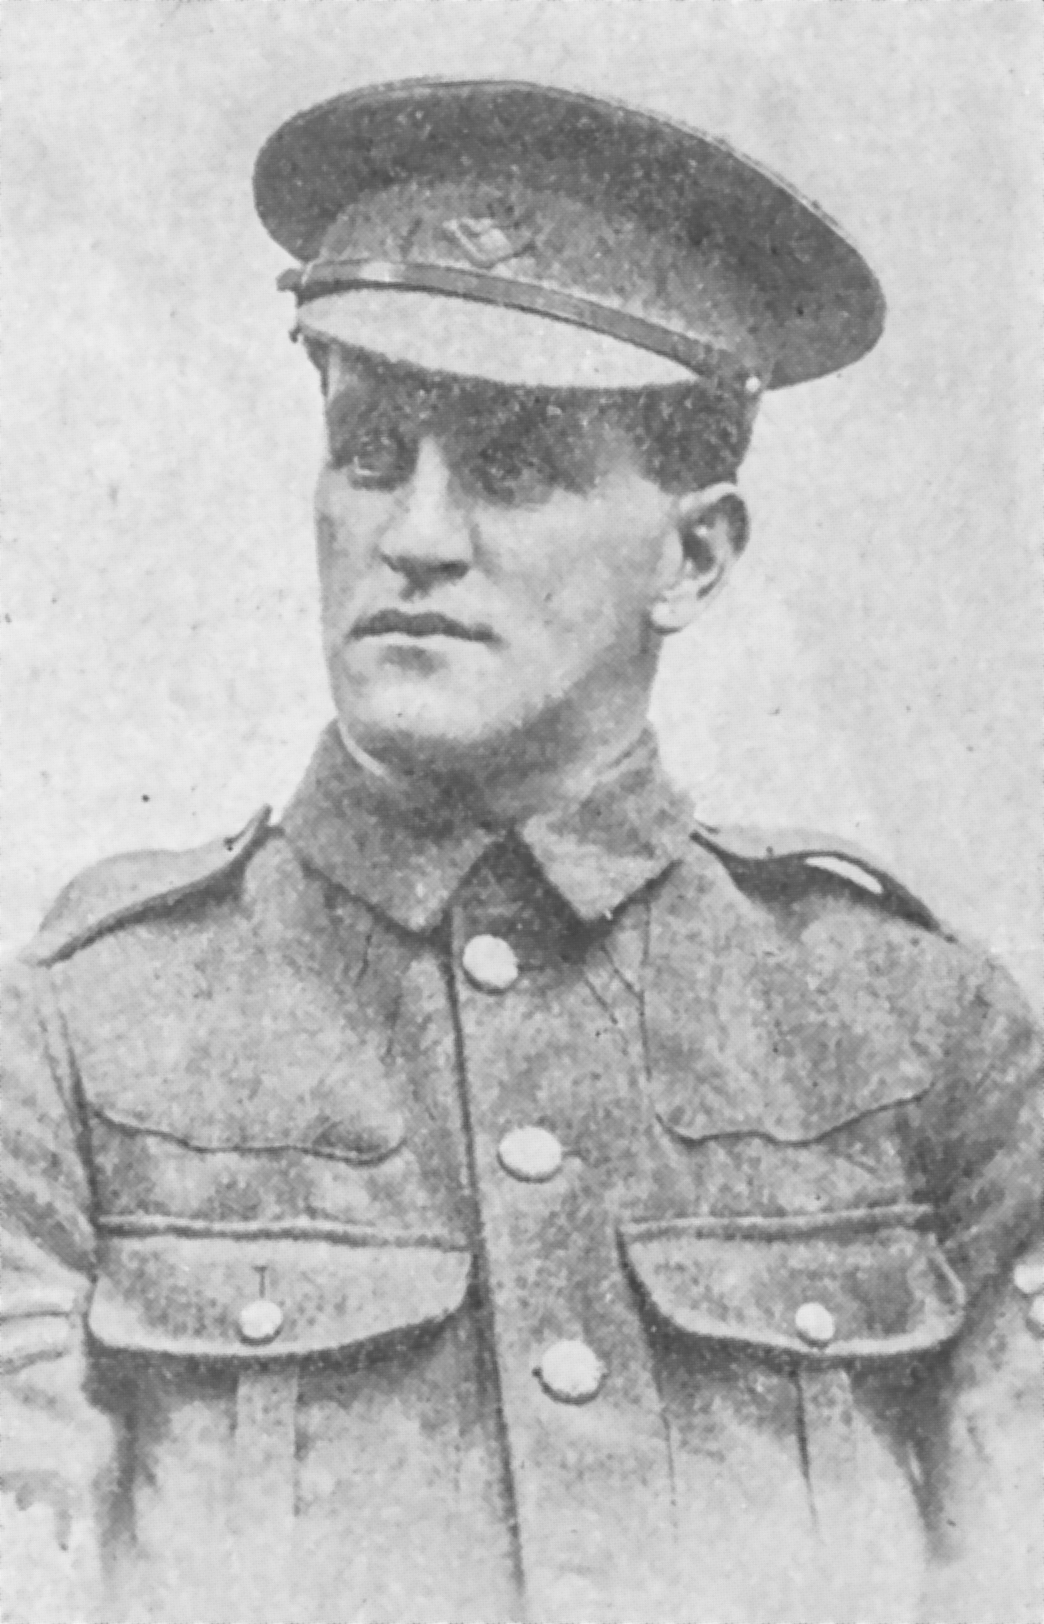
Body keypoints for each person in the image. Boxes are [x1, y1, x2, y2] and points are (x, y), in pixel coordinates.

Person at [2, 78, 1041, 1624]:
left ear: (693, 554)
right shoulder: (83, 1041)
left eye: (508, 465)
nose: (414, 532)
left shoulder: (917, 1035)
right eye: (369, 450)